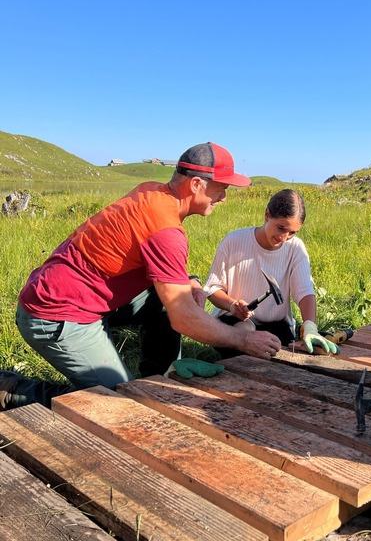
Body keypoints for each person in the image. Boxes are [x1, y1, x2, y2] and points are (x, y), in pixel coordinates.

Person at [2, 142, 284, 411]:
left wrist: (190, 282)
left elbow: (148, 261)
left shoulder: (152, 192)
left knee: (167, 302)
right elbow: (184, 318)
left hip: (73, 294)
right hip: (54, 315)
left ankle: (158, 381)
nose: (223, 197)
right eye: (222, 188)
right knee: (120, 403)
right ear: (197, 184)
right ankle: (13, 390)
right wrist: (242, 340)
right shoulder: (166, 231)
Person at [204, 188, 338, 355]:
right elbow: (212, 289)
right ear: (267, 215)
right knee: (246, 332)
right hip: (234, 322)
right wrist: (232, 305)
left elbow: (305, 292)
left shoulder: (295, 248)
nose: (284, 237)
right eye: (281, 228)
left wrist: (310, 326)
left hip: (277, 326)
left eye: (292, 232)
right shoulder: (234, 241)